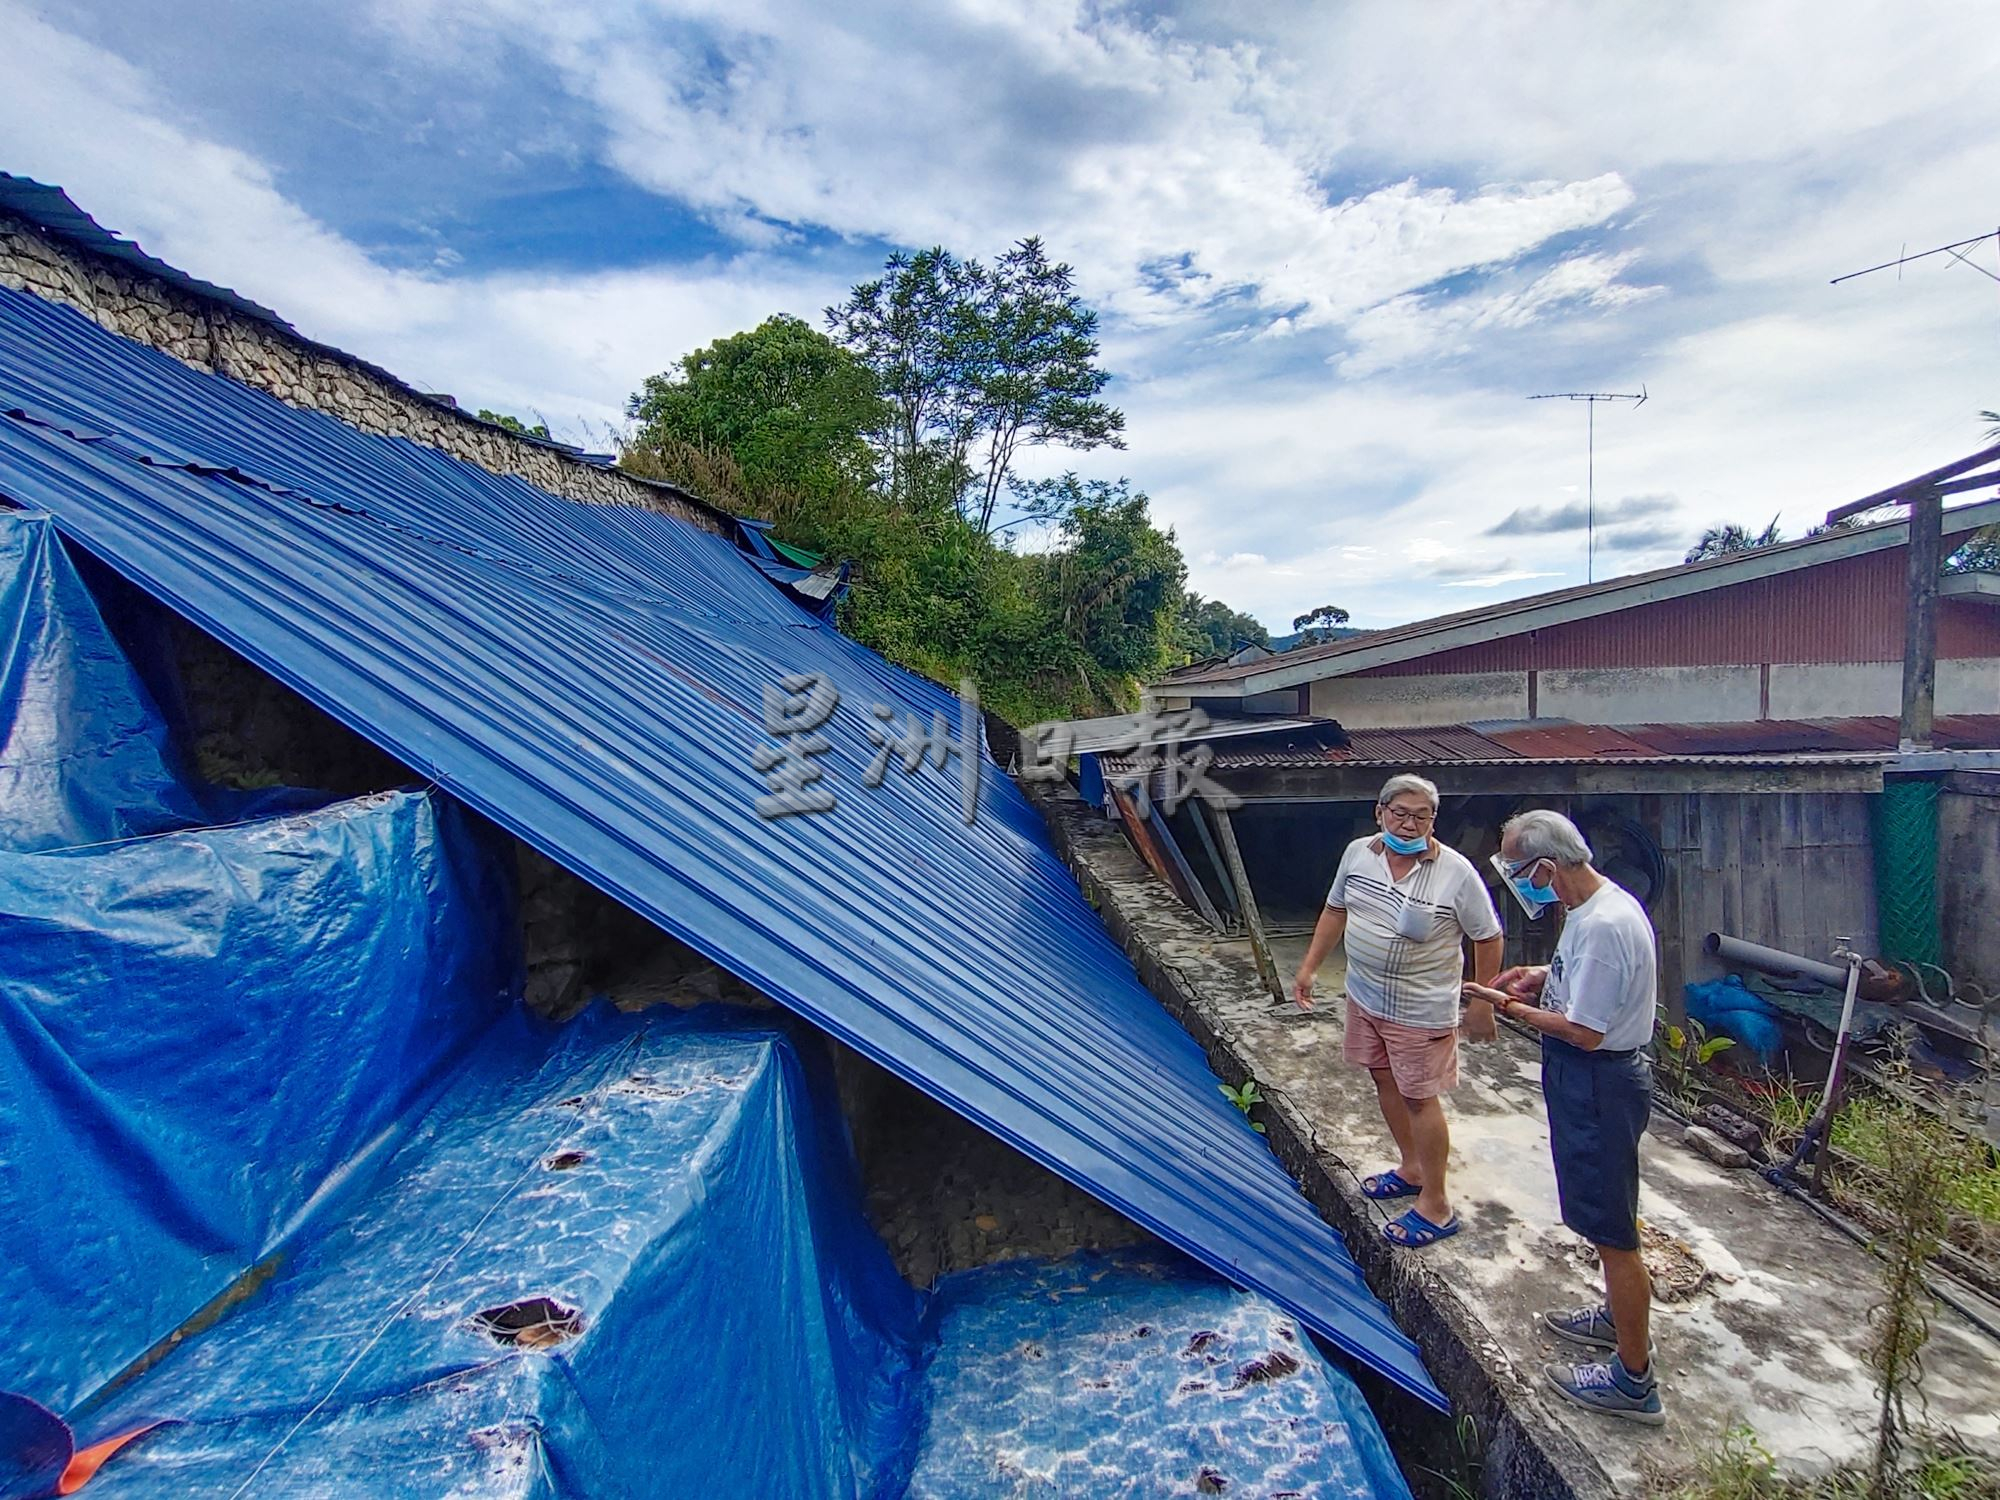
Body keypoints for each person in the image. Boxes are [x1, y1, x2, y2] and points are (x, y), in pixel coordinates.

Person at [1461, 808, 1664, 1425]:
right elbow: (1587, 985)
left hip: (1599, 1081)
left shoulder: (1603, 924)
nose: (1523, 887)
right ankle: (1614, 1319)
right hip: (1593, 1081)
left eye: (1522, 874)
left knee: (1614, 1230)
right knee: (1602, 1213)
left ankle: (1634, 1381)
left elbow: (1584, 1031)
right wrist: (1541, 976)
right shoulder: (1595, 909)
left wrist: (1504, 1005)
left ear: (1547, 867)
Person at [1292, 773, 1503, 1249]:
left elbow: (1488, 936)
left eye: (1421, 816)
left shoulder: (1456, 872)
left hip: (1420, 1007)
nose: (1409, 825)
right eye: (1400, 813)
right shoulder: (1358, 853)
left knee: (1419, 1098)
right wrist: (1308, 968)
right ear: (1380, 812)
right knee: (1382, 1077)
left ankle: (1437, 1204)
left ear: (1433, 820)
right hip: (1365, 995)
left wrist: (1483, 1002)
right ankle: (1411, 1169)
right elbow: (1335, 910)